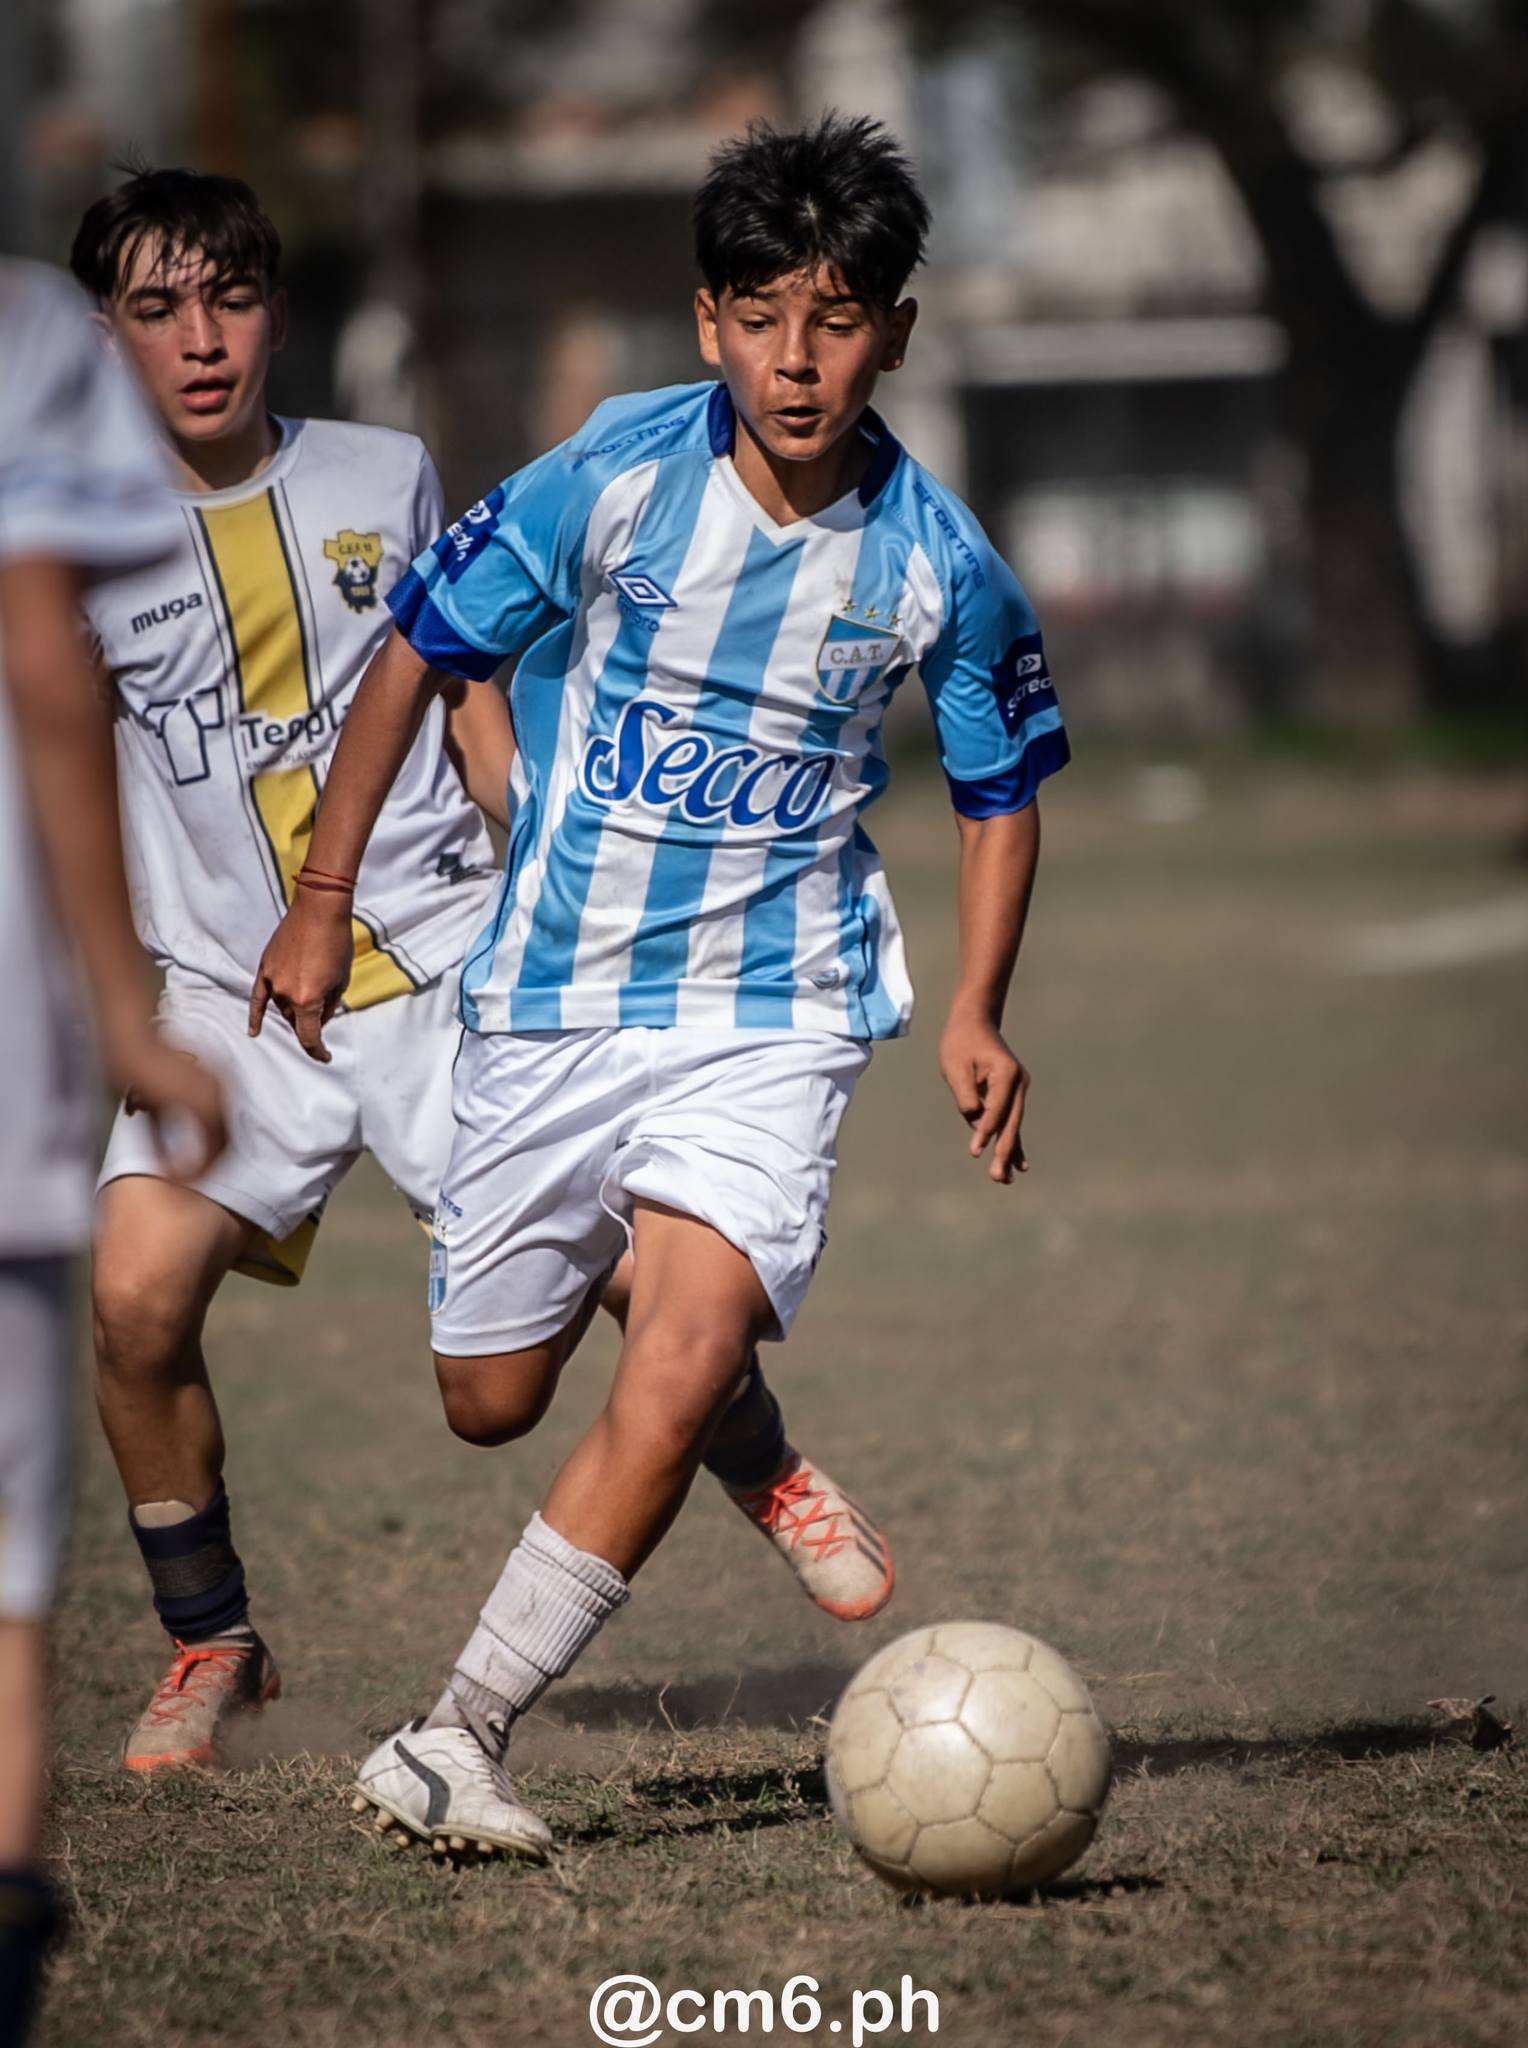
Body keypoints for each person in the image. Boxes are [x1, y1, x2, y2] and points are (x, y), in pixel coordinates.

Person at [252, 111, 1061, 1861]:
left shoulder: (940, 562)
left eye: (836, 321)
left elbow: (1000, 794)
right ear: (709, 322)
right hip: (552, 994)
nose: (796, 360)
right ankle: (748, 1435)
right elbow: (421, 651)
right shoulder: (614, 473)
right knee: (489, 1402)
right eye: (760, 318)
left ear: (898, 333)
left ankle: (456, 1736)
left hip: (776, 1014)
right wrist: (323, 897)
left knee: (681, 1348)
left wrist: (977, 1008)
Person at [71, 165, 883, 1778]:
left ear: (277, 314)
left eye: (231, 299)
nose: (202, 339)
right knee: (134, 1298)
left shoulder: (383, 473)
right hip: (228, 1005)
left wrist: (532, 823)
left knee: (647, 1286)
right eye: (159, 310)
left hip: (451, 971)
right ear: (110, 337)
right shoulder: (68, 540)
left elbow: (464, 671)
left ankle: (771, 1470)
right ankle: (211, 1642)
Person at [0, 259, 227, 2044]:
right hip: (19, 1050)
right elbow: (47, 668)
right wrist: (122, 1006)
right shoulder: (23, 336)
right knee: (6, 1604)